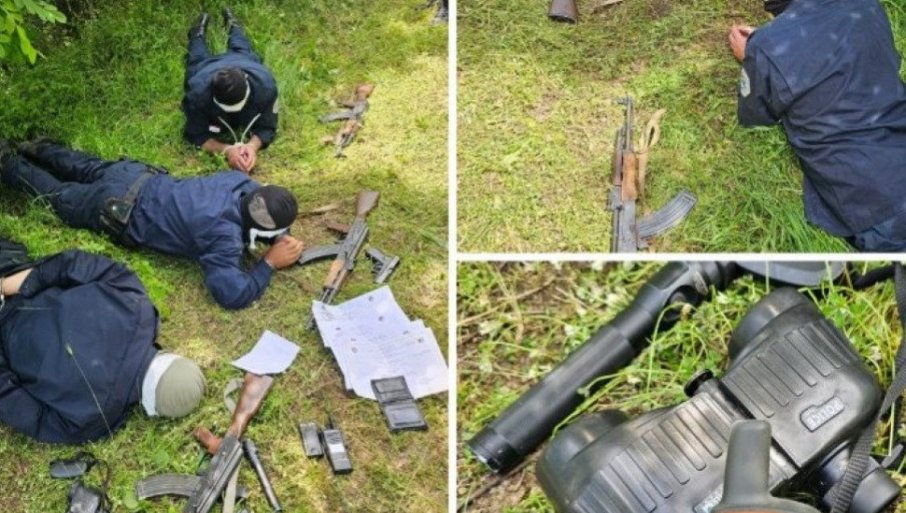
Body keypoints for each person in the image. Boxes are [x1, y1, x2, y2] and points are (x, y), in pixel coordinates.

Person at [0, 139, 305, 310]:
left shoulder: (238, 182)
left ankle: (35, 146)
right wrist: (268, 263)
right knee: (57, 194)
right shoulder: (223, 237)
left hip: (136, 175)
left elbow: (262, 202)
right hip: (117, 208)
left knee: (85, 165)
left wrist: (278, 233)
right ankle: (7, 162)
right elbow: (231, 294)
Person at [728, 0, 906, 252]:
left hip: (875, 207)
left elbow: (756, 116)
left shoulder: (767, 47)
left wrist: (755, 56)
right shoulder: (867, 5)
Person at [0, 240, 205, 444]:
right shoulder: (92, 420)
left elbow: (75, 264)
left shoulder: (138, 305)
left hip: (13, 273)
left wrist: (11, 284)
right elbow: (14, 402)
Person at [183, 8, 278, 173]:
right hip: (205, 68)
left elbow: (268, 126)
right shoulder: (197, 94)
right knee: (197, 56)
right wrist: (227, 150)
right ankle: (197, 32)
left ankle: (233, 24)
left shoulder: (266, 87)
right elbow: (196, 134)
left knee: (241, 45)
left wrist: (252, 146)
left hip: (243, 61)